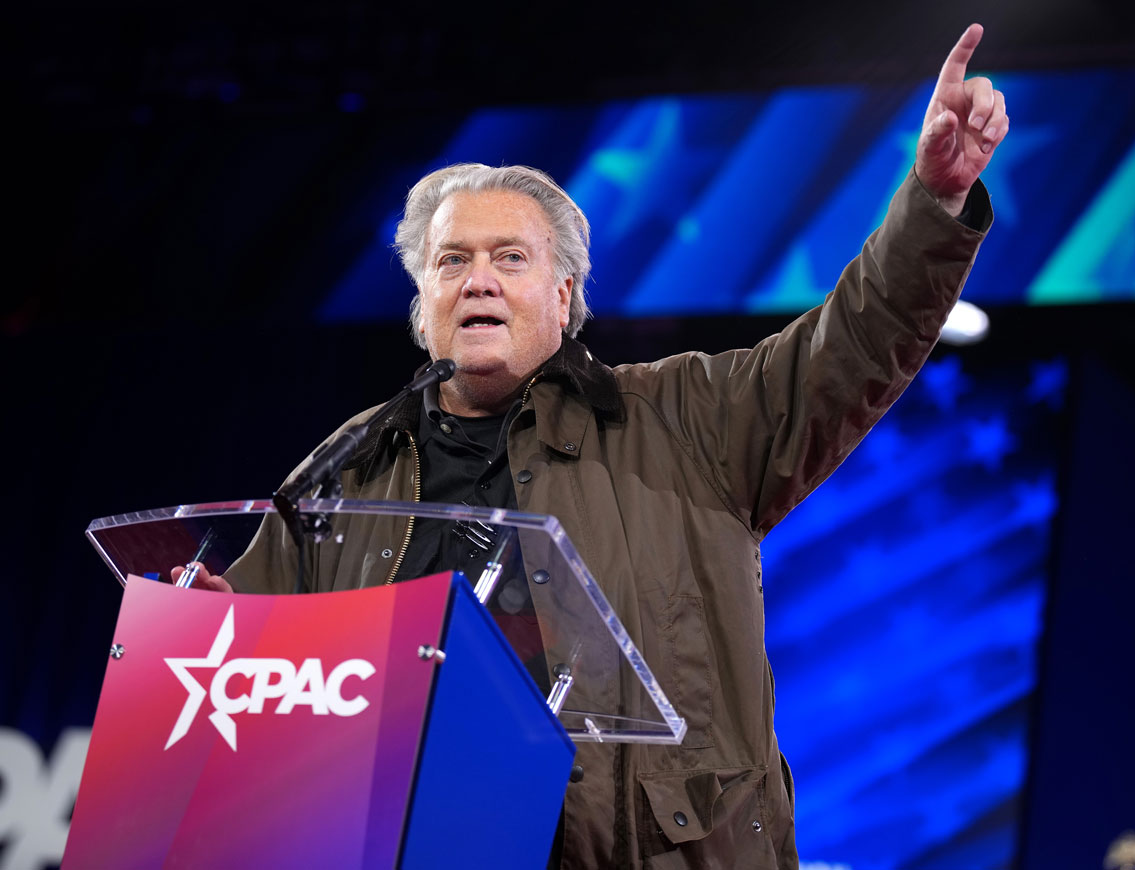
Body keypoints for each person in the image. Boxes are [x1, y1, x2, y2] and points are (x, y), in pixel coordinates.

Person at [174, 23, 1007, 868]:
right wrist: (207, 626)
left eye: (509, 257)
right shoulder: (345, 468)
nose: (479, 279)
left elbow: (853, 346)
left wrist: (932, 202)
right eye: (451, 261)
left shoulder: (688, 417)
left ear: (564, 292)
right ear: (423, 301)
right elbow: (257, 676)